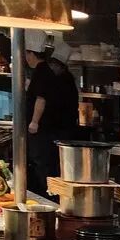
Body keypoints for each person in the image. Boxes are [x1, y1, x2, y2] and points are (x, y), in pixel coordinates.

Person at [25, 31, 79, 191]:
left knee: (44, 166)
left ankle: (49, 195)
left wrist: (34, 122)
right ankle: (51, 193)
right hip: (56, 130)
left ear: (30, 54)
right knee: (49, 165)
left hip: (47, 131)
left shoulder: (43, 72)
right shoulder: (55, 75)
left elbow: (41, 98)